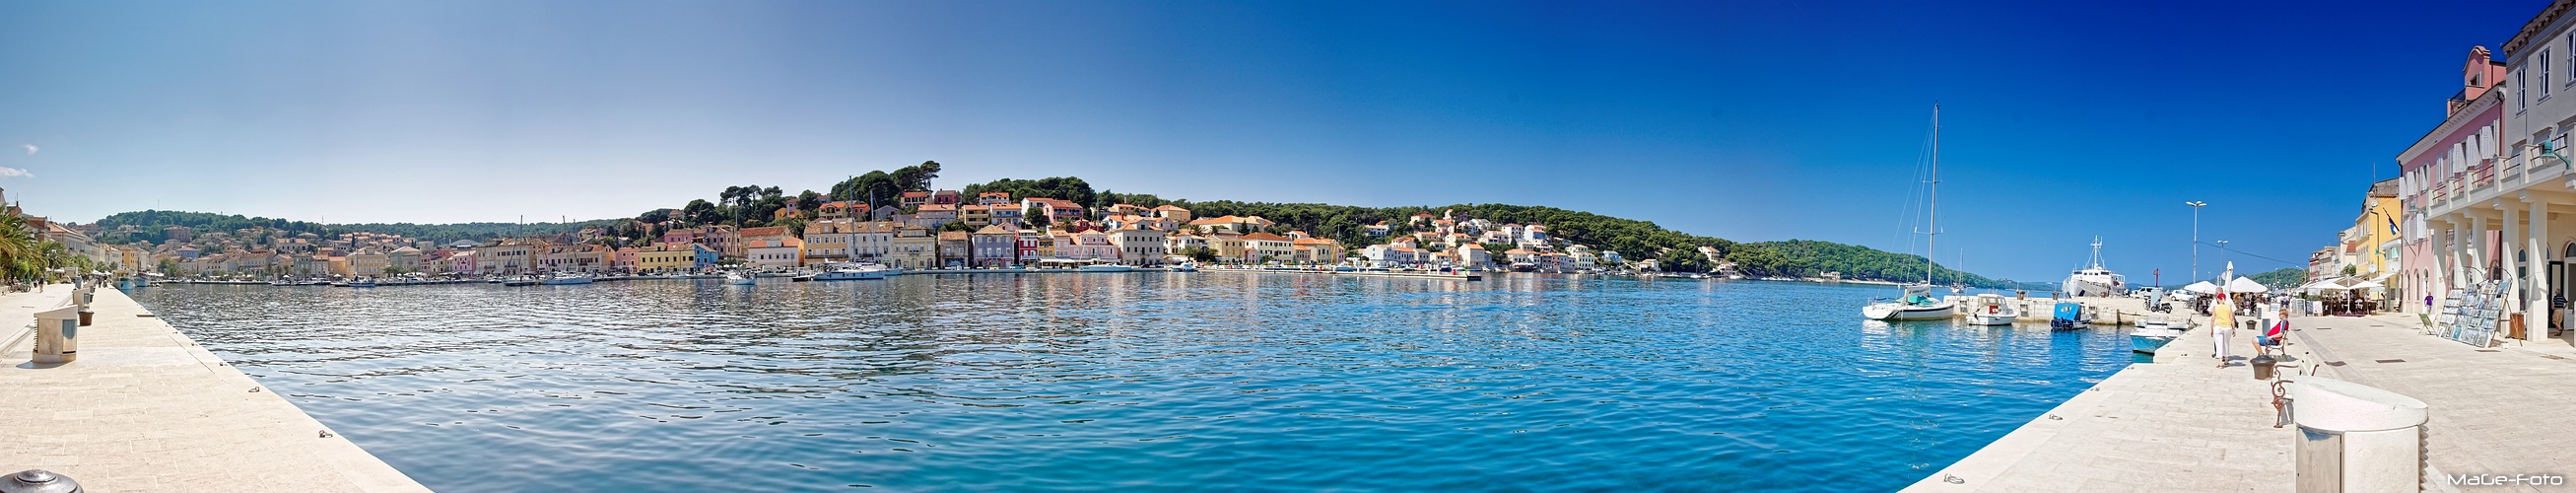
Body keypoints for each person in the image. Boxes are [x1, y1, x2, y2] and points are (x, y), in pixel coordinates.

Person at [2209, 293, 2235, 368]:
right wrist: (2234, 329)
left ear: (2218, 299)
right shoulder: (2228, 307)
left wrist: (2211, 329)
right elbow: (2232, 319)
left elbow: (2213, 319)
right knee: (2226, 343)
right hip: (2227, 327)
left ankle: (2220, 362)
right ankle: (2226, 360)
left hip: (2218, 327)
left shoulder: (2215, 307)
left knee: (2219, 344)